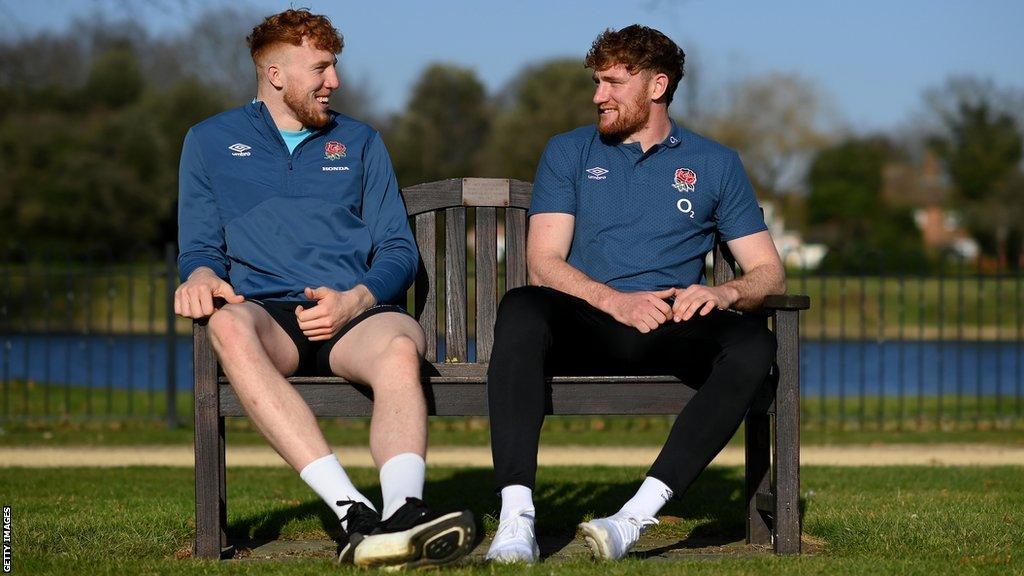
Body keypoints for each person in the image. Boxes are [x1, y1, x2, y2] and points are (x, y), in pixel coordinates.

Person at [174, 9, 474, 570]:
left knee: (400, 348)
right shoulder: (209, 140)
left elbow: (398, 249)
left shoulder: (360, 141)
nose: (333, 81)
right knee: (226, 325)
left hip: (356, 314)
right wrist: (199, 277)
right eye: (321, 68)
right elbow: (199, 247)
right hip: (268, 314)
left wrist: (356, 299)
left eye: (333, 66)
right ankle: (352, 513)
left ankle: (406, 511)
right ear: (275, 73)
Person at [484, 25, 786, 563]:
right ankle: (515, 519)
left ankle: (633, 518)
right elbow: (543, 261)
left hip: (670, 326)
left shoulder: (715, 163)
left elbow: (769, 274)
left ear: (657, 86)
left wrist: (725, 293)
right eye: (597, 82)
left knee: (754, 347)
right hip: (590, 322)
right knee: (522, 307)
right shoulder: (568, 152)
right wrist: (613, 301)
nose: (599, 95)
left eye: (614, 83)